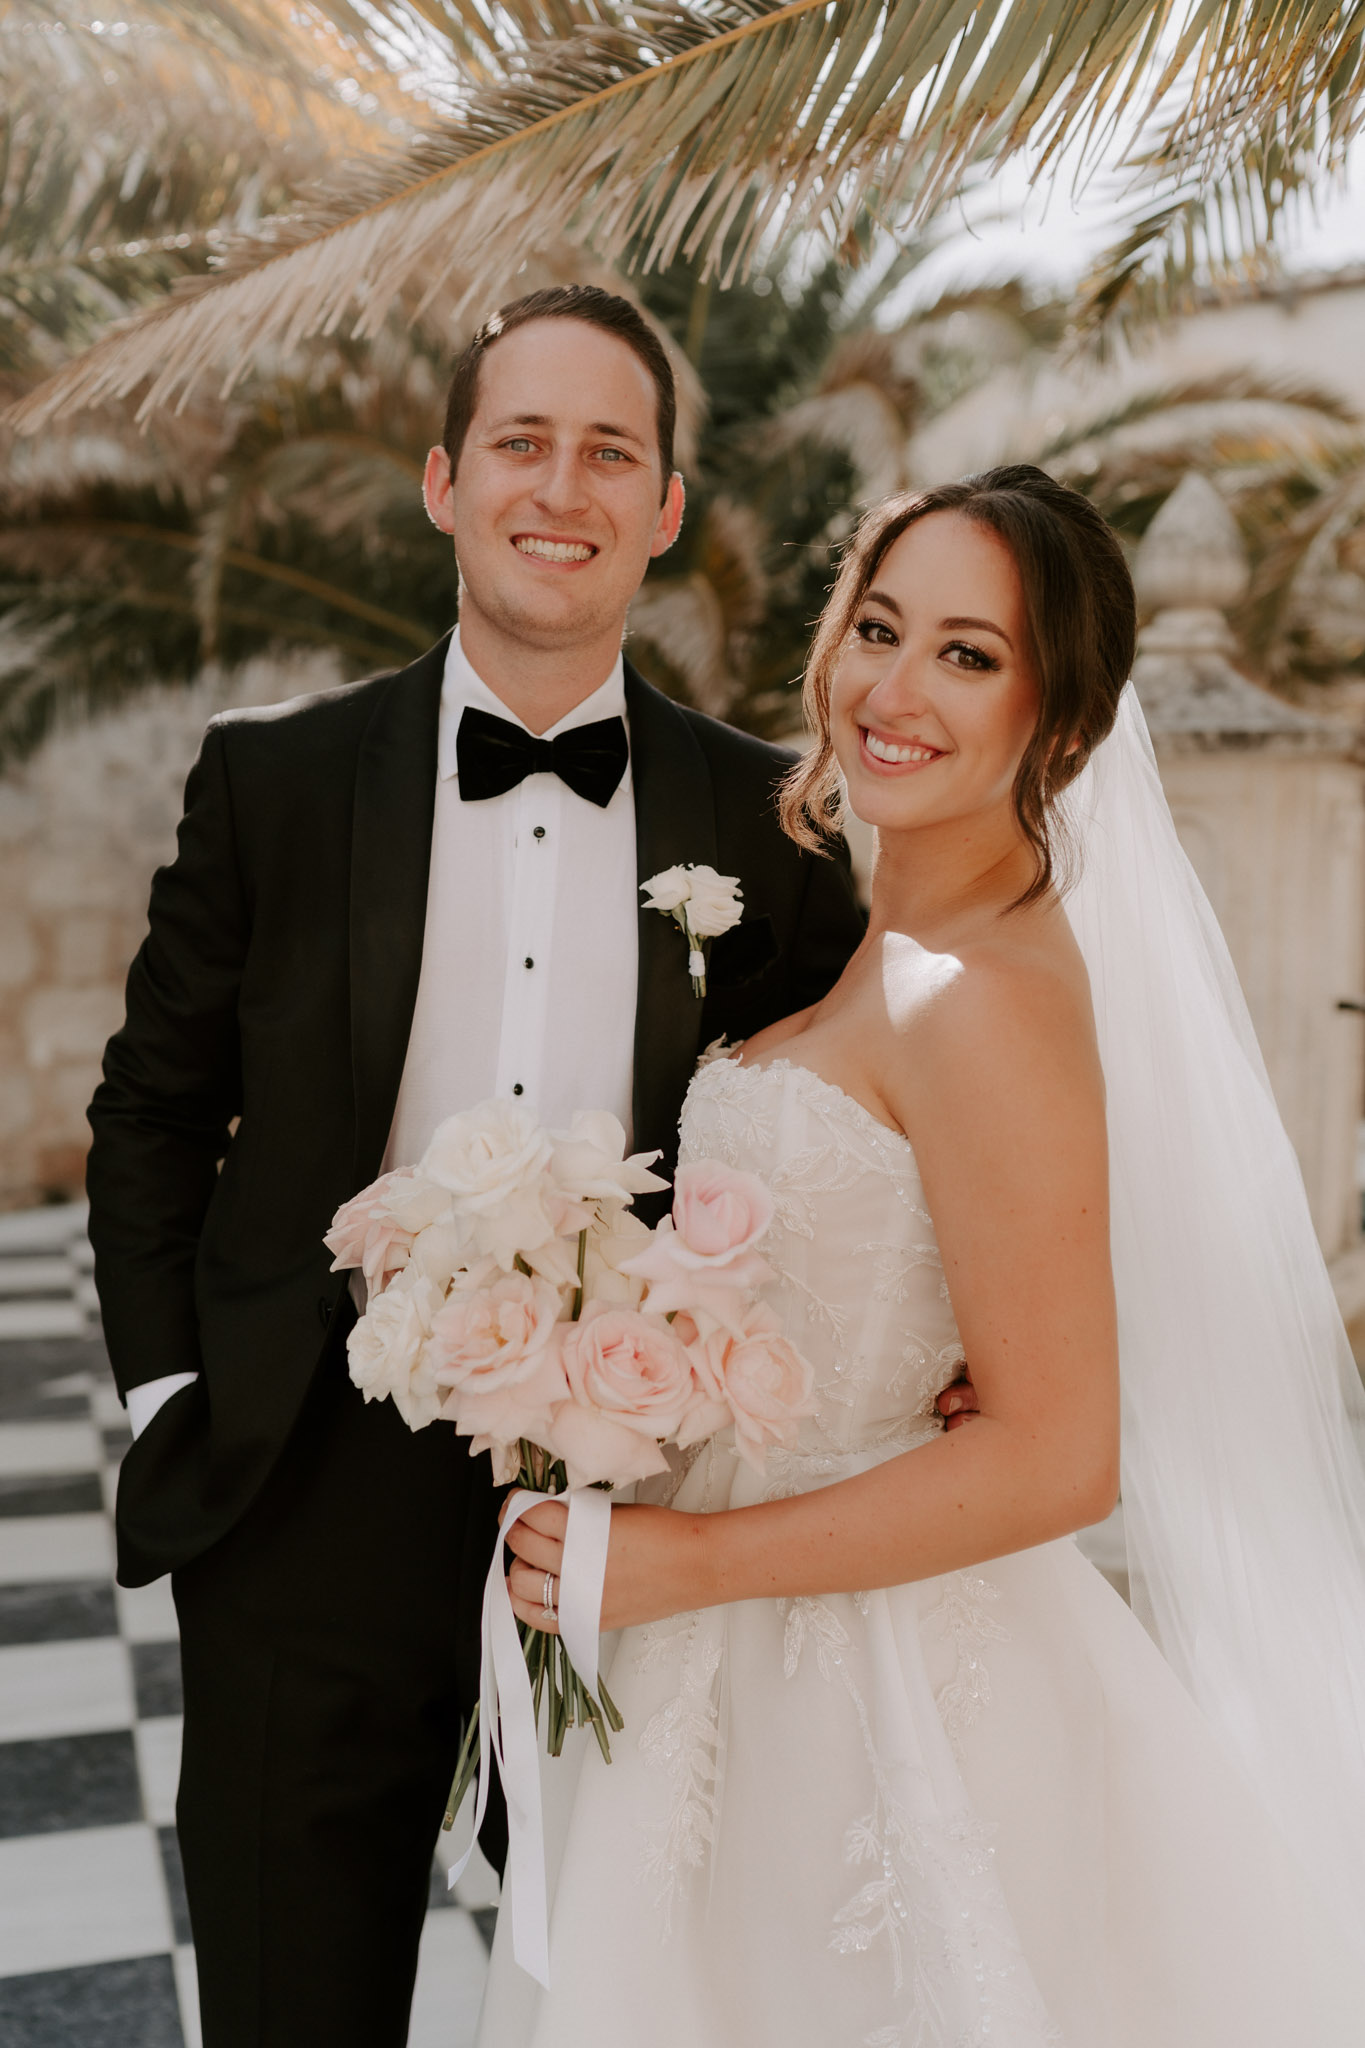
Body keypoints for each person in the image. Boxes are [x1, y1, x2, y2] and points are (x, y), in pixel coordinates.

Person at [489, 466, 1365, 2045]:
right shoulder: (875, 952)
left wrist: (685, 1563)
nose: (891, 690)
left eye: (968, 655)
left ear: (1068, 728)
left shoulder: (985, 997)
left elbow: (1057, 1460)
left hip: (872, 1683)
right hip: (722, 1662)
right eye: (878, 628)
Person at [84, 283, 867, 2048]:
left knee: (626, 2006)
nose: (560, 486)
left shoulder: (772, 826)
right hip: (302, 1482)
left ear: (667, 508)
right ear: (443, 479)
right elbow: (150, 1110)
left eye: (611, 452)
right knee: (294, 2000)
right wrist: (178, 1397)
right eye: (522, 441)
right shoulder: (272, 782)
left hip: (632, 1510)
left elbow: (844, 1135)